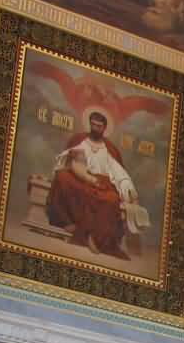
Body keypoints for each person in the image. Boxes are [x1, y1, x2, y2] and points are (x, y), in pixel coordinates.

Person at [45, 110, 141, 260]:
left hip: (102, 183)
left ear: (104, 128)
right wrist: (83, 173)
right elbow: (72, 162)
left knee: (111, 200)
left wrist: (130, 190)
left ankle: (95, 236)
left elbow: (119, 173)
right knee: (62, 177)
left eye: (99, 126)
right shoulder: (81, 141)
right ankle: (68, 222)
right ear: (90, 124)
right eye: (93, 124)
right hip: (82, 178)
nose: (95, 128)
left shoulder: (109, 149)